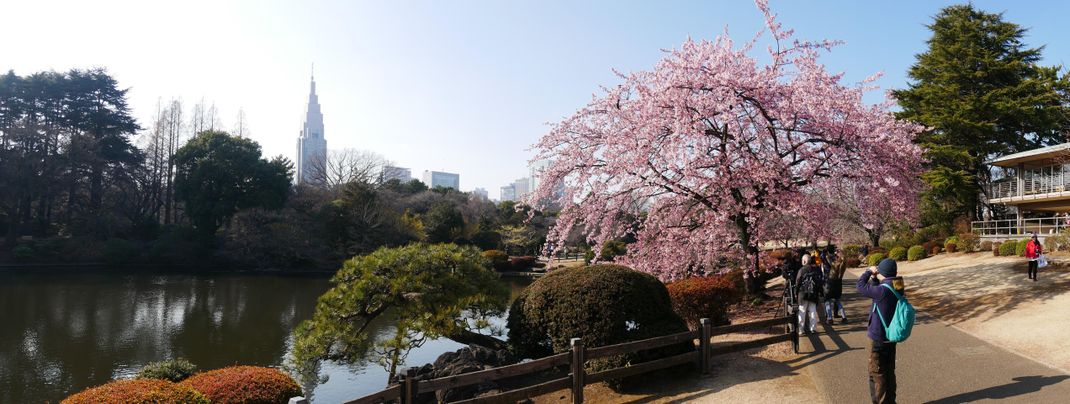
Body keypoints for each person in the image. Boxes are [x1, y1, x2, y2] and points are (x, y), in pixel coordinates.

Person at [858, 258, 905, 404]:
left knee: (877, 373)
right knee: (889, 371)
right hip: (891, 337)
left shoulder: (882, 291)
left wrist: (868, 272)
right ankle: (891, 401)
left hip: (878, 338)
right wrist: (874, 279)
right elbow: (879, 296)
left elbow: (860, 286)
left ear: (883, 272)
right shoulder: (897, 286)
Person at [795, 254, 824, 335]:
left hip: (803, 293)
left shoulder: (801, 270)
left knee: (802, 312)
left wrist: (796, 292)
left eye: (802, 260)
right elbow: (819, 282)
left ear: (804, 261)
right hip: (813, 293)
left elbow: (798, 282)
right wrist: (820, 292)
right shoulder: (815, 270)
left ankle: (801, 330)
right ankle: (813, 329)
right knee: (812, 311)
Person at [824, 253, 847, 324]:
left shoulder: (834, 264)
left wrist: (833, 254)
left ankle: (830, 318)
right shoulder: (843, 266)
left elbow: (827, 257)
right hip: (838, 284)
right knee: (838, 301)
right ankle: (844, 317)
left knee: (827, 301)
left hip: (831, 283)